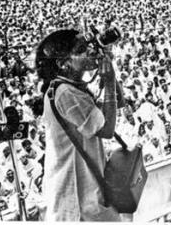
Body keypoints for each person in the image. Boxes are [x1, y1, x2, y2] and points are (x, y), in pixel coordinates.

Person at [35, 29, 120, 221]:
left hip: (85, 191)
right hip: (78, 198)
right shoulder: (65, 93)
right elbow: (107, 129)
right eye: (81, 49)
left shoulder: (70, 87)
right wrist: (108, 81)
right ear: (63, 63)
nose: (90, 51)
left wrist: (108, 71)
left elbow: (116, 105)